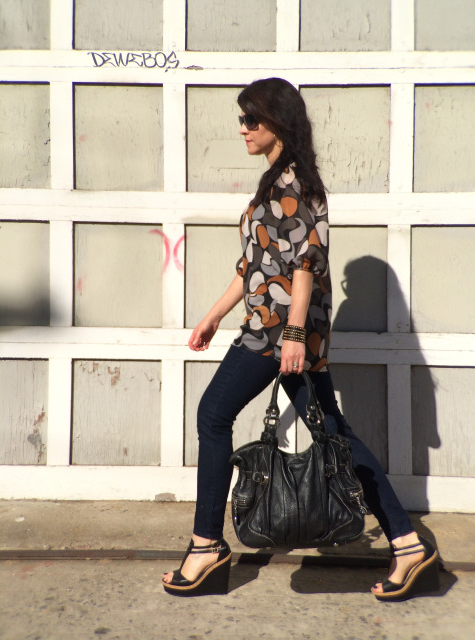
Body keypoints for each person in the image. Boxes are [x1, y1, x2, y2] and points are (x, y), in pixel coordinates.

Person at [162, 78, 439, 601]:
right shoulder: (274, 183)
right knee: (335, 436)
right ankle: (407, 543)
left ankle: (205, 546)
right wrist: (214, 316)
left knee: (213, 415)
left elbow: (305, 266)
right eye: (242, 118)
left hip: (276, 335)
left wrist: (291, 335)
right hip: (271, 330)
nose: (243, 128)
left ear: (279, 123)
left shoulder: (295, 185)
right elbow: (252, 267)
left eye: (253, 119)